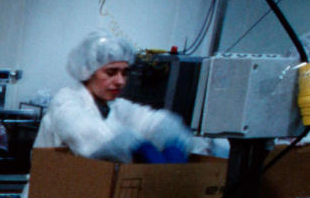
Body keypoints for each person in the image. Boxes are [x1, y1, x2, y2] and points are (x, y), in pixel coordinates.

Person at [34, 31, 192, 163]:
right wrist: (137, 146)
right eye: (111, 72)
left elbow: (156, 123)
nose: (120, 81)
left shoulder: (118, 107)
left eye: (125, 73)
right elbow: (88, 135)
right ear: (87, 71)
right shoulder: (66, 102)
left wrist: (174, 142)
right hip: (50, 196)